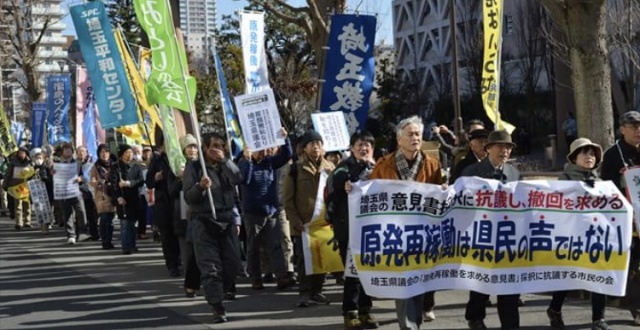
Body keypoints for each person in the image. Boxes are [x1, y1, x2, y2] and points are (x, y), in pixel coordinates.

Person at [369, 116, 444, 330]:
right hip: (395, 231)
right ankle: (409, 326)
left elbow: (438, 194)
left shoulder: (432, 165)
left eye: (418, 134)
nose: (415, 138)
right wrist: (353, 189)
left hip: (422, 231)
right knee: (403, 281)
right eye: (410, 134)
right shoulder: (384, 165)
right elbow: (371, 194)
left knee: (419, 280)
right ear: (399, 139)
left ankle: (414, 322)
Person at [546, 138, 610, 330]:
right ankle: (554, 309)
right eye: (585, 153)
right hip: (570, 237)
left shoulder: (600, 182)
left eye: (592, 154)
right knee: (567, 277)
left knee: (599, 275)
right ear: (574, 158)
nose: (589, 157)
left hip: (596, 236)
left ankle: (598, 319)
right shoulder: (565, 179)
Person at [462, 130, 521, 330]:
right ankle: (475, 317)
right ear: (488, 149)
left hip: (507, 237)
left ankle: (510, 323)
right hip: (481, 235)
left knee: (508, 283)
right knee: (482, 282)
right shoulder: (471, 172)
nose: (505, 151)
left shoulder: (514, 173)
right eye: (500, 146)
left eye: (508, 147)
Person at [183, 132, 242, 324]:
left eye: (221, 146)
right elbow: (189, 197)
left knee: (233, 264)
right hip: (204, 222)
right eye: (214, 146)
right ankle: (217, 306)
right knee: (211, 268)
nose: (218, 149)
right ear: (205, 148)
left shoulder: (226, 164)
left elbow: (238, 178)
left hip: (227, 221)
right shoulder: (194, 167)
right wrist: (200, 187)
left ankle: (221, 288)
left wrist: (224, 161)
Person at [238, 128, 296, 291]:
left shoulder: (269, 162)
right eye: (258, 148)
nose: (262, 151)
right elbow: (245, 179)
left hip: (270, 210)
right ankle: (256, 278)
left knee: (275, 245)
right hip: (252, 213)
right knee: (253, 247)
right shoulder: (243, 162)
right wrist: (248, 160)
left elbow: (286, 156)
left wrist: (285, 139)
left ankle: (281, 277)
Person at [283, 129, 335, 307]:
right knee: (304, 261)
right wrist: (295, 221)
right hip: (303, 225)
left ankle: (317, 291)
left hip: (324, 224)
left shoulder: (330, 168)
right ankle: (305, 292)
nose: (316, 147)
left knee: (322, 258)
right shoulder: (294, 169)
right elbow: (287, 199)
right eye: (312, 144)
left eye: (319, 143)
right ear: (304, 148)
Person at [333, 131, 379, 330]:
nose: (364, 148)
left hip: (371, 230)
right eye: (360, 144)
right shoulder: (342, 169)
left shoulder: (378, 169)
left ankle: (365, 311)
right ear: (352, 148)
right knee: (353, 273)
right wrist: (361, 172)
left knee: (368, 271)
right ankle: (350, 313)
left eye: (368, 145)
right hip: (349, 230)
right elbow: (338, 185)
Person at [600, 111, 640, 326]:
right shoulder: (613, 154)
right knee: (632, 265)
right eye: (633, 127)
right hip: (628, 220)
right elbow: (607, 188)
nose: (637, 131)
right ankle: (637, 308)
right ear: (622, 129)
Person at [146, 133, 182, 277]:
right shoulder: (156, 161)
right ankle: (172, 264)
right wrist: (155, 178)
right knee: (167, 235)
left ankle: (180, 259)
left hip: (178, 200)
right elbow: (148, 182)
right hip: (163, 202)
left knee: (179, 232)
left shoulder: (179, 158)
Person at [176, 134, 201, 298]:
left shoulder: (202, 165)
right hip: (188, 214)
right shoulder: (177, 166)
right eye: (189, 147)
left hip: (207, 211)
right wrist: (180, 178)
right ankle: (191, 285)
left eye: (194, 147)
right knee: (193, 252)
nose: (192, 150)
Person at [110, 144, 145, 255]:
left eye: (130, 153)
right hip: (123, 199)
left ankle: (132, 244)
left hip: (134, 198)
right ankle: (126, 246)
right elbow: (114, 185)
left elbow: (140, 180)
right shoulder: (116, 167)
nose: (129, 155)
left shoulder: (136, 166)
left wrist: (129, 183)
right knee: (125, 223)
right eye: (126, 153)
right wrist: (118, 197)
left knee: (133, 222)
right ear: (121, 154)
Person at [54, 143, 89, 244]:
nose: (68, 151)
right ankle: (71, 235)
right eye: (66, 149)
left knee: (81, 211)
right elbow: (52, 175)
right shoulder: (57, 163)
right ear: (62, 151)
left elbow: (84, 176)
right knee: (67, 214)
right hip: (63, 192)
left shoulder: (77, 163)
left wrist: (80, 178)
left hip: (76, 191)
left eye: (69, 149)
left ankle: (82, 232)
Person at [90, 144, 117, 250]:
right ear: (98, 154)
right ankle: (105, 241)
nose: (104, 154)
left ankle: (109, 240)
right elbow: (91, 181)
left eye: (106, 151)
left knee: (110, 219)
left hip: (112, 194)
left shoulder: (114, 165)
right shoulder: (96, 167)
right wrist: (99, 183)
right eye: (102, 152)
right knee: (104, 218)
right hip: (101, 195)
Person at [2, 147, 32, 230]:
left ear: (26, 153)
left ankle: (27, 221)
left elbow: (33, 173)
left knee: (27, 204)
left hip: (26, 186)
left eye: (23, 153)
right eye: (19, 153)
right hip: (16, 186)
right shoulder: (13, 162)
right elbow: (8, 174)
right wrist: (5, 184)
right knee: (18, 205)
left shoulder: (30, 162)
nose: (21, 154)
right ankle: (19, 223)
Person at [77, 146, 100, 241]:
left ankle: (94, 233)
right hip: (77, 192)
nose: (82, 153)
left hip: (89, 192)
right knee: (80, 214)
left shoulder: (90, 165)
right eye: (79, 151)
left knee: (92, 214)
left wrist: (83, 178)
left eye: (83, 151)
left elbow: (92, 177)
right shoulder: (74, 164)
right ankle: (81, 233)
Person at [31, 148, 53, 234]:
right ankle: (43, 227)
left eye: (40, 158)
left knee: (47, 209)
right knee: (39, 209)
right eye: (37, 158)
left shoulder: (47, 167)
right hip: (37, 191)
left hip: (47, 191)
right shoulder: (32, 168)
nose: (38, 160)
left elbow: (50, 179)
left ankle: (47, 224)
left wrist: (45, 178)